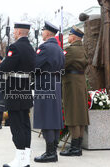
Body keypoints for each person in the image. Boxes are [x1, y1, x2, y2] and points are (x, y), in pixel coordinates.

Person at [0, 22, 35, 167]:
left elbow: (4, 67)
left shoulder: (15, 47)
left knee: (17, 126)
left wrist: (2, 63)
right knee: (25, 125)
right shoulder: (31, 48)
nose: (13, 33)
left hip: (14, 91)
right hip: (25, 90)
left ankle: (19, 160)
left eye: (14, 31)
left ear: (19, 32)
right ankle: (24, 159)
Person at [33, 21, 65, 163]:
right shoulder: (58, 48)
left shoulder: (44, 47)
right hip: (56, 83)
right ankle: (53, 150)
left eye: (43, 31)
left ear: (47, 33)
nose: (42, 33)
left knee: (46, 117)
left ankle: (50, 153)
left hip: (45, 83)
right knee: (54, 117)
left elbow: (35, 65)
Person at [60, 26, 89, 156]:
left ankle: (75, 148)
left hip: (71, 83)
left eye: (70, 35)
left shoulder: (70, 50)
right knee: (81, 115)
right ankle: (78, 146)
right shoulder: (83, 49)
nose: (68, 37)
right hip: (81, 82)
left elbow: (61, 65)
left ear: (74, 37)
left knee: (72, 115)